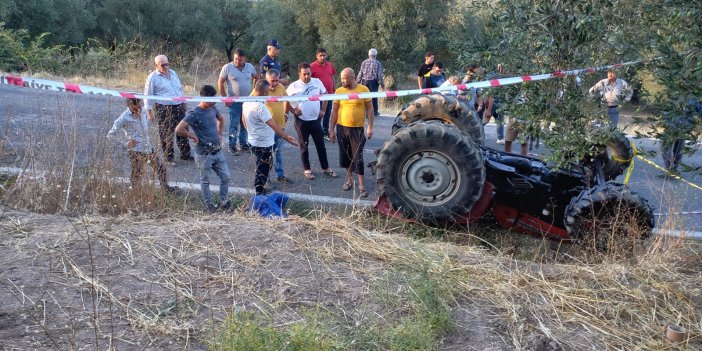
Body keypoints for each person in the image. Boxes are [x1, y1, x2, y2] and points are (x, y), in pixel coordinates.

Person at [175, 85, 230, 213]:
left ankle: (224, 202)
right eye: (212, 99)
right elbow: (179, 129)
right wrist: (191, 135)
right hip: (203, 154)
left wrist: (220, 134)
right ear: (203, 98)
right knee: (205, 180)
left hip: (217, 151)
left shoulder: (213, 108)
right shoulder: (194, 113)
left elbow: (221, 119)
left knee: (226, 177)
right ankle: (209, 206)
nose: (215, 101)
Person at [107, 98, 176, 192]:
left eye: (140, 107)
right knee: (137, 173)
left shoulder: (143, 111)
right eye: (135, 109)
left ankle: (165, 189)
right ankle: (136, 192)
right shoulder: (123, 117)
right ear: (129, 106)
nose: (138, 110)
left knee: (160, 168)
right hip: (135, 150)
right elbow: (110, 136)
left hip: (148, 147)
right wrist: (125, 144)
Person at [242, 80, 298, 195]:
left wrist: (250, 132)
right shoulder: (260, 107)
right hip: (263, 144)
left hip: (253, 140)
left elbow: (243, 119)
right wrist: (286, 137)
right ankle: (259, 192)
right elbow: (273, 124)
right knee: (263, 168)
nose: (268, 94)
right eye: (267, 91)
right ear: (262, 91)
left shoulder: (247, 101)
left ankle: (261, 187)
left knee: (263, 165)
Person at [286, 63, 339, 180]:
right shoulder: (293, 86)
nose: (306, 77)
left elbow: (325, 95)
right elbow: (285, 100)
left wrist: (323, 110)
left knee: (321, 145)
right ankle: (307, 170)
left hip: (315, 120)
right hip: (301, 121)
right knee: (304, 146)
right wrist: (293, 110)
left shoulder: (317, 82)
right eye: (304, 74)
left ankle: (326, 168)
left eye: (308, 74)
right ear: (299, 74)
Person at [329, 68, 374, 198]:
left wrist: (370, 127)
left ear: (353, 77)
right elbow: (335, 111)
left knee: (357, 157)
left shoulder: (364, 90)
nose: (342, 80)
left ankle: (361, 184)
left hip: (357, 129)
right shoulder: (339, 91)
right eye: (341, 78)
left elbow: (370, 110)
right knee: (345, 156)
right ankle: (348, 179)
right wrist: (331, 130)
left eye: (345, 78)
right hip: (342, 129)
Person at [144, 54, 193, 164]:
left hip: (179, 105)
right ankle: (169, 158)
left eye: (167, 64)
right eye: (163, 65)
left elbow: (179, 89)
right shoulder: (152, 77)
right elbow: (147, 95)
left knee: (182, 129)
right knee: (166, 133)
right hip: (164, 108)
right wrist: (149, 111)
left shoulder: (173, 73)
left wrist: (184, 102)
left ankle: (186, 154)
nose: (166, 67)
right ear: (156, 65)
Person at [217, 48, 259, 155]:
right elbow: (220, 82)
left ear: (244, 59)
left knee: (245, 123)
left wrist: (254, 93)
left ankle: (243, 144)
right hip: (233, 103)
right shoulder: (227, 67)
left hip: (247, 102)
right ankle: (232, 146)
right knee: (234, 124)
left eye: (240, 59)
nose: (237, 61)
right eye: (235, 59)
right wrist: (225, 98)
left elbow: (257, 78)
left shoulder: (250, 67)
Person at [264, 69, 294, 183]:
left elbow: (287, 99)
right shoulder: (261, 89)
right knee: (267, 153)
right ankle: (266, 179)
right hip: (267, 128)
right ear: (266, 80)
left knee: (278, 152)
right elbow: (251, 103)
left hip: (280, 126)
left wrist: (286, 113)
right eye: (272, 81)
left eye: (277, 80)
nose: (275, 83)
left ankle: (280, 175)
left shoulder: (281, 87)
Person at [660, 97, 702, 175]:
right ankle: (673, 168)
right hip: (683, 126)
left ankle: (670, 168)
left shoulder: (677, 94)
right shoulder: (694, 98)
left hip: (673, 124)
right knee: (678, 147)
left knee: (667, 147)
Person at [310, 48, 337, 137]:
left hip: (329, 94)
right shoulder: (312, 66)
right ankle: (316, 130)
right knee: (318, 112)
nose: (322, 57)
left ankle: (325, 131)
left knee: (327, 112)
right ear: (316, 56)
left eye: (324, 55)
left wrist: (334, 89)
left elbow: (332, 77)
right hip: (317, 95)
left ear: (326, 55)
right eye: (320, 56)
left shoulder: (330, 65)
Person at [357, 48, 385, 117]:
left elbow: (360, 73)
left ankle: (364, 111)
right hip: (373, 82)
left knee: (364, 97)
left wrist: (357, 82)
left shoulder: (364, 62)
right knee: (374, 97)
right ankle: (374, 111)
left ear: (369, 55)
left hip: (364, 82)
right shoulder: (377, 63)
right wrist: (382, 83)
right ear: (375, 55)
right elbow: (379, 75)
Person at [482, 64, 506, 144]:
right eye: (502, 66)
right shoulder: (492, 75)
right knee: (485, 119)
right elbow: (489, 93)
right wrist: (488, 109)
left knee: (500, 119)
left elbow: (505, 90)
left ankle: (500, 138)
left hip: (500, 102)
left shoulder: (504, 76)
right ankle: (473, 133)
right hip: (492, 101)